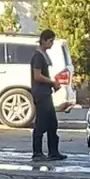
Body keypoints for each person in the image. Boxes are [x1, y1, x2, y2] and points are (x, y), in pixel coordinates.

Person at [29, 28, 65, 162]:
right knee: (41, 124)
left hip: (46, 93)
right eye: (50, 41)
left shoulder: (43, 54)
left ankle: (53, 152)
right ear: (43, 40)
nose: (51, 44)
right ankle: (37, 152)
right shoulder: (37, 56)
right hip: (41, 94)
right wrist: (52, 82)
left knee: (52, 124)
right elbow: (37, 76)